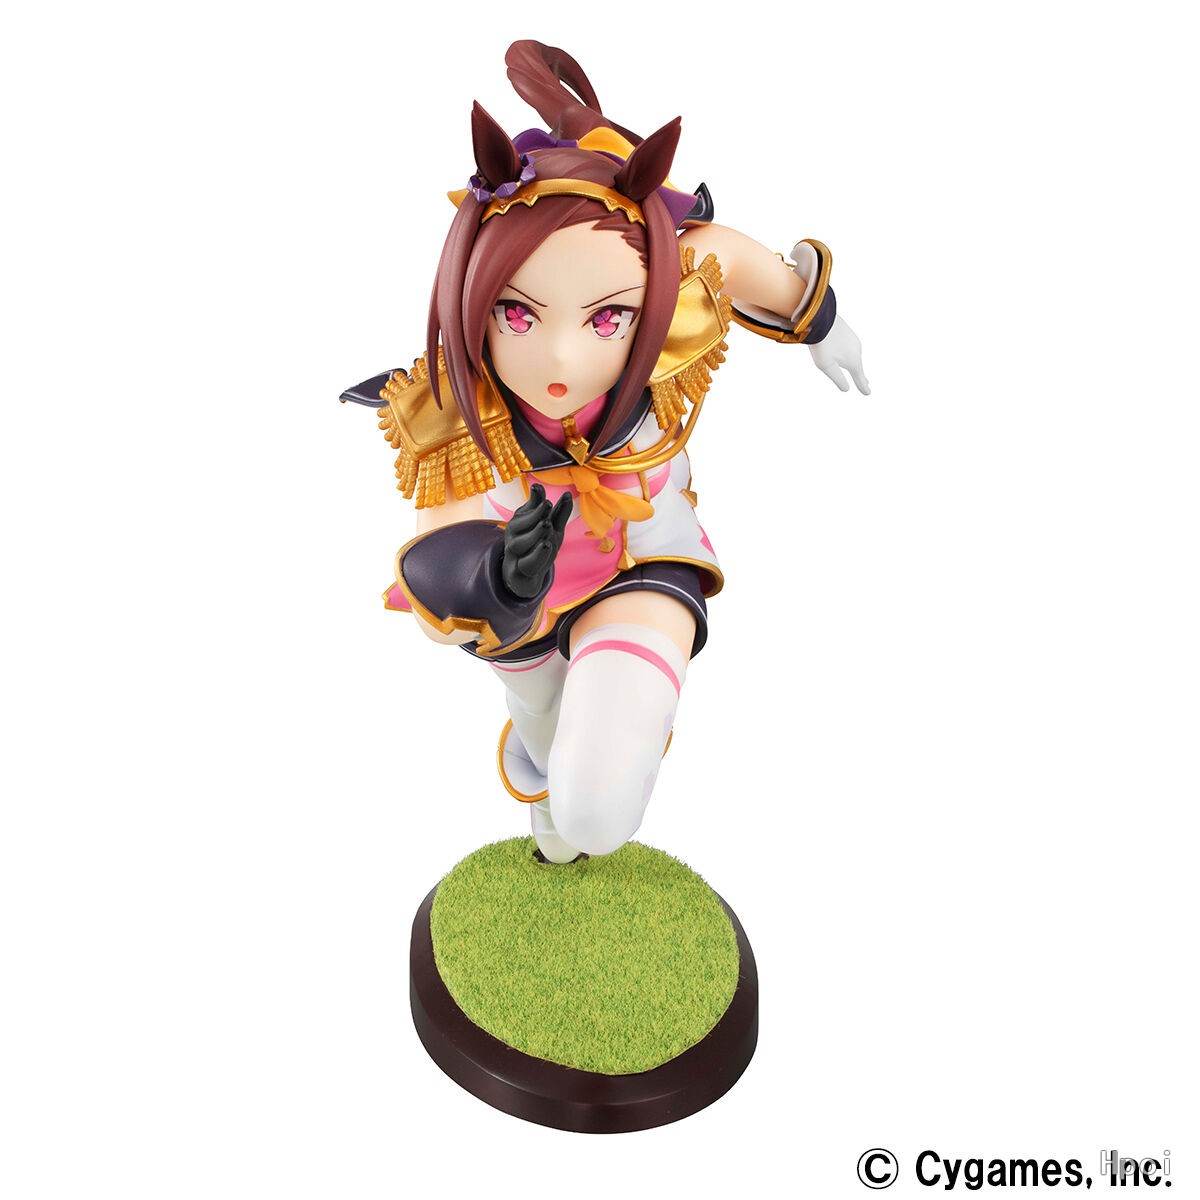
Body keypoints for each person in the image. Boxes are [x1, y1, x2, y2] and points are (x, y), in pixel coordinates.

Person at [342, 41, 869, 863]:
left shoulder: (674, 308)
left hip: (642, 560)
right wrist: (498, 579)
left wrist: (821, 319)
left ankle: (599, 757)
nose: (560, 358)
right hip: (521, 629)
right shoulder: (452, 415)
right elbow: (436, 583)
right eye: (518, 314)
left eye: (606, 318)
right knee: (548, 758)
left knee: (594, 813)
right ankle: (553, 763)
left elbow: (731, 256)